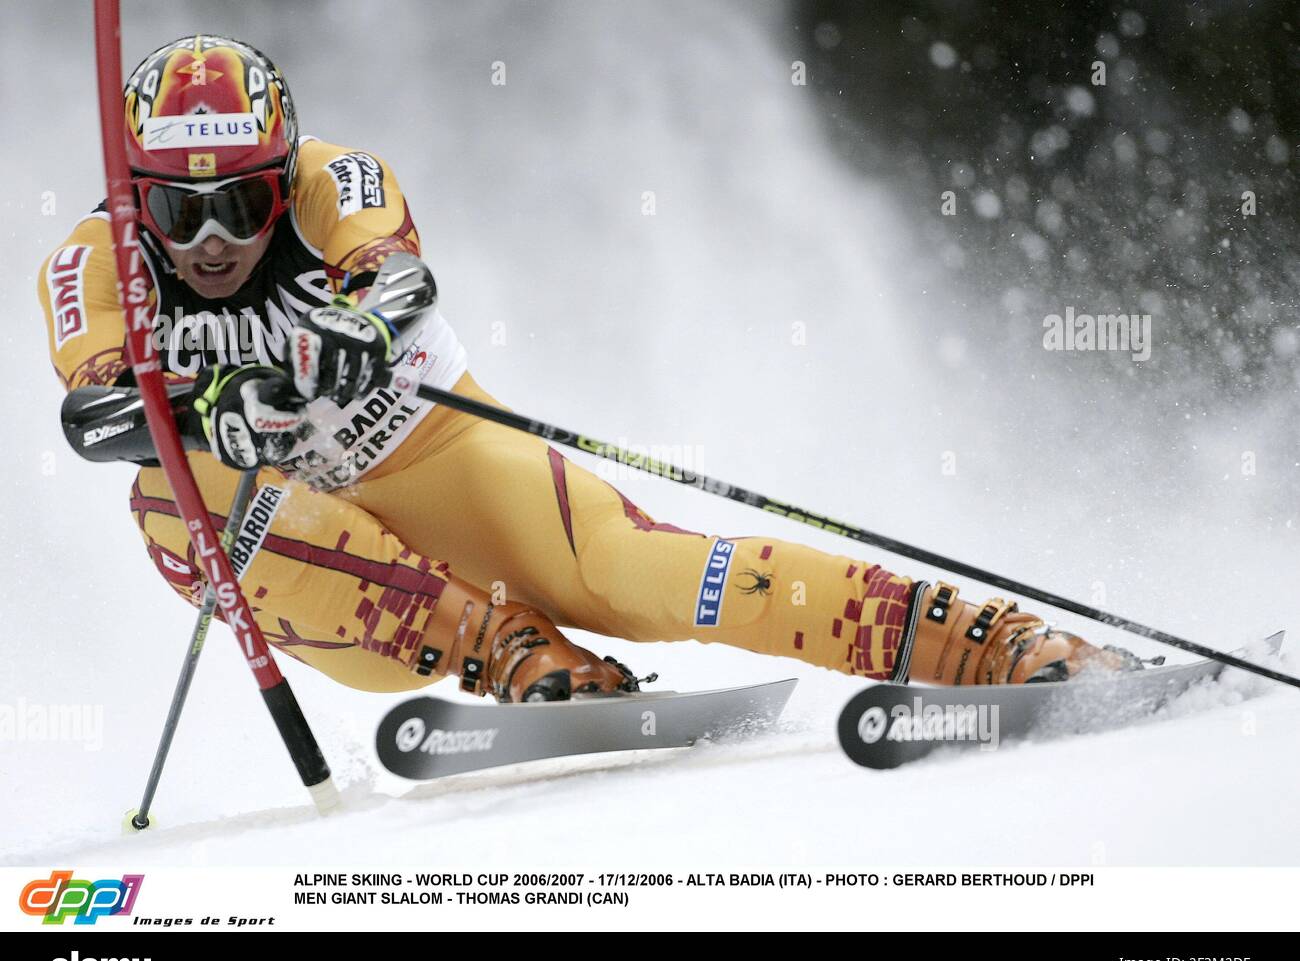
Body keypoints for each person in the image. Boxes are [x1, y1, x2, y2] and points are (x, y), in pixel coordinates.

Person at [39, 35, 1137, 703]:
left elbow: (403, 279)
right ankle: (501, 647)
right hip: (309, 566)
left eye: (241, 203)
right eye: (180, 211)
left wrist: (355, 335)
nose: (212, 240)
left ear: (282, 179)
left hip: (429, 452)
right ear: (138, 197)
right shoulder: (96, 261)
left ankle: (988, 643)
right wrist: (210, 407)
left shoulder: (338, 176)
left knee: (645, 572)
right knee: (173, 497)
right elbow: (91, 419)